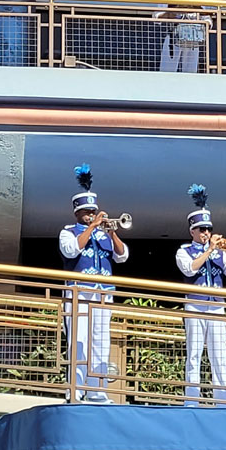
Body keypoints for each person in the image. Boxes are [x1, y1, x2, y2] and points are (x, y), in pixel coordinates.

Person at [58, 163, 128, 403]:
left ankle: (97, 391)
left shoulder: (104, 234)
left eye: (93, 211)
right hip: (78, 294)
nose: (90, 214)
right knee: (78, 342)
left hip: (103, 294)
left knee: (101, 341)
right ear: (77, 212)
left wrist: (112, 233)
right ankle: (75, 390)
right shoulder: (68, 231)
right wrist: (92, 227)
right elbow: (71, 251)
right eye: (86, 211)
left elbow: (122, 255)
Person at [176, 183, 226, 406]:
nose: (206, 233)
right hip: (195, 305)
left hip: (217, 306)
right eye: (202, 229)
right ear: (192, 231)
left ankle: (223, 400)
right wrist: (210, 250)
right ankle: (191, 400)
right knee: (194, 354)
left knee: (219, 355)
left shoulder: (219, 250)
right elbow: (190, 269)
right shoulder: (184, 250)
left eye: (208, 229)